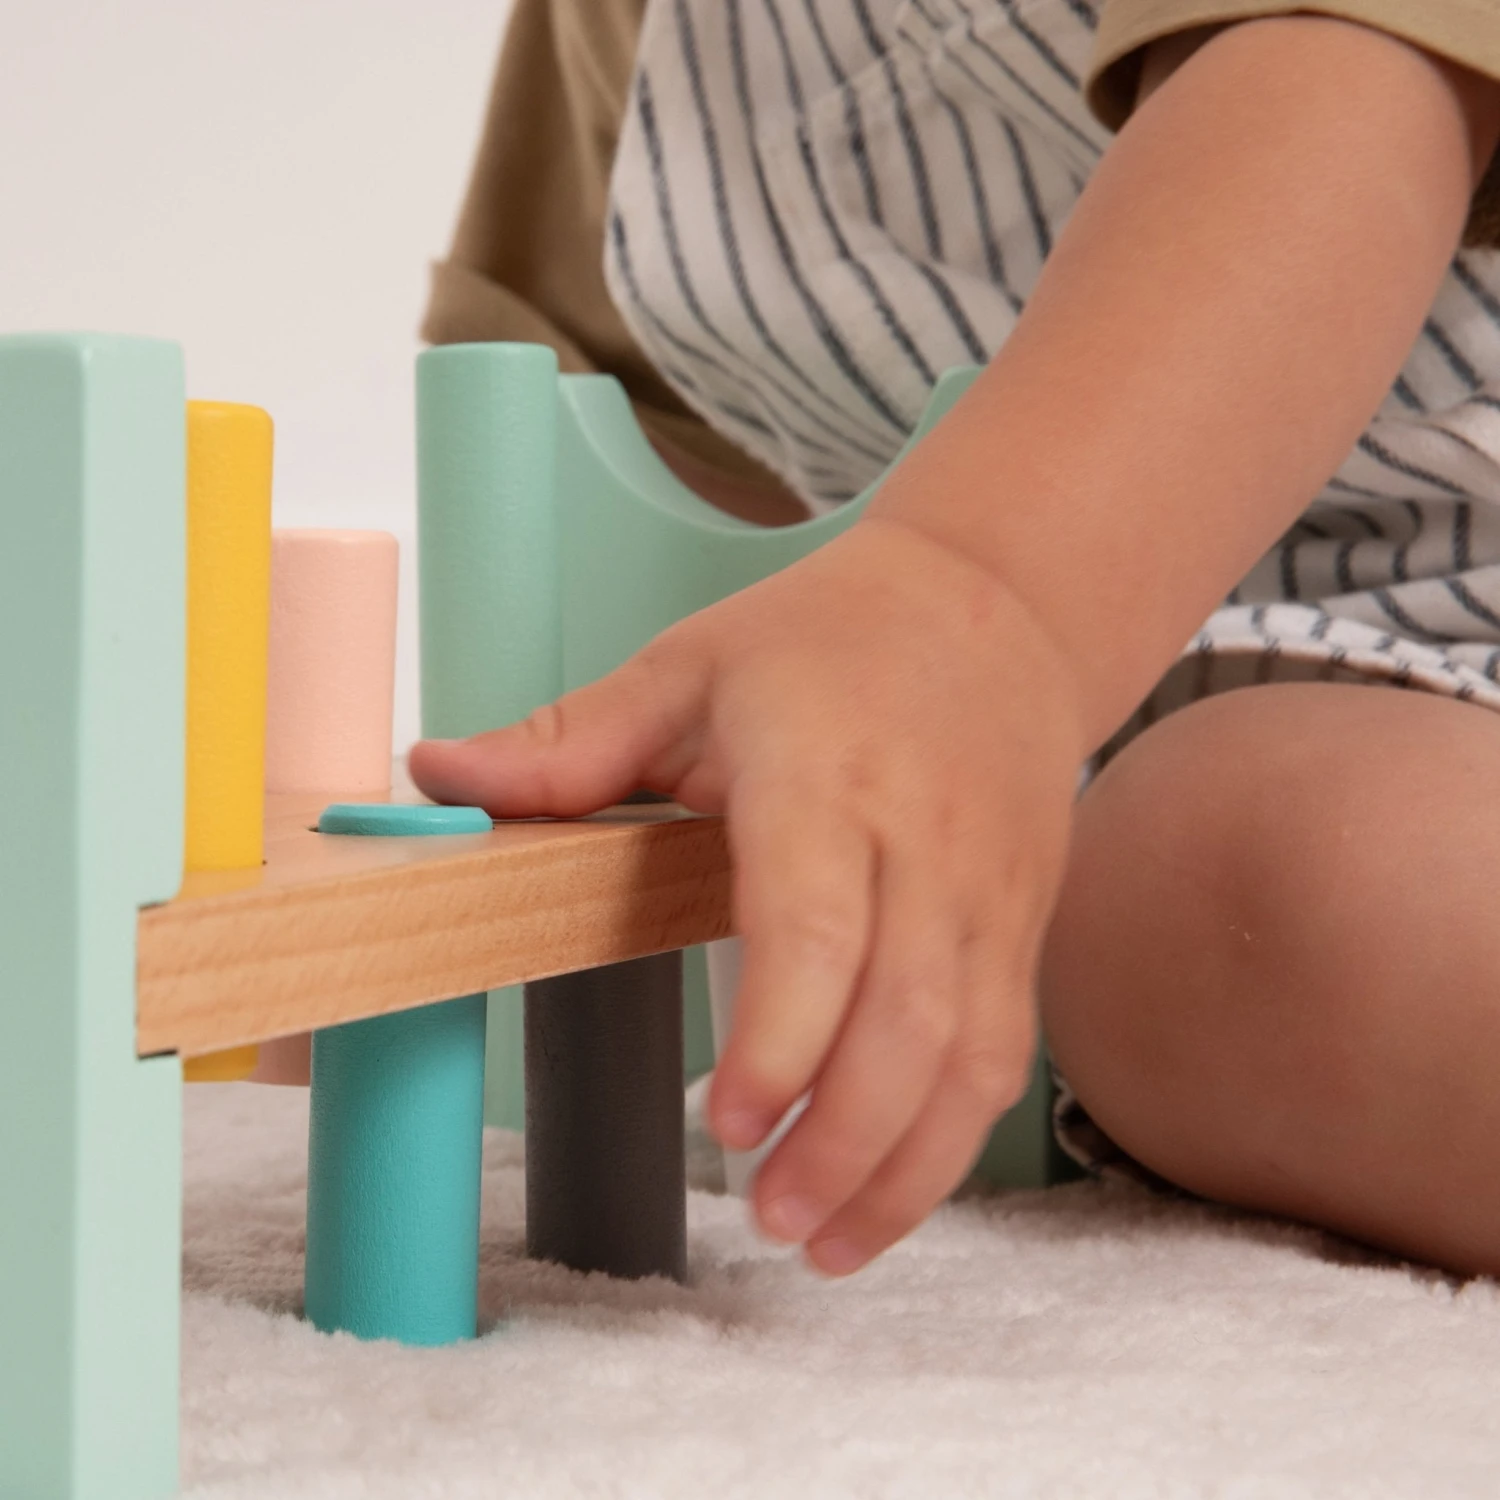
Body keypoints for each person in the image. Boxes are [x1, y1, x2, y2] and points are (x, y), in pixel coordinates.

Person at [411, 0, 1500, 1281]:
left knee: (1293, 879)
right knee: (1223, 901)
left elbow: (1350, 63)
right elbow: (587, 456)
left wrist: (983, 593)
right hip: (1234, 728)